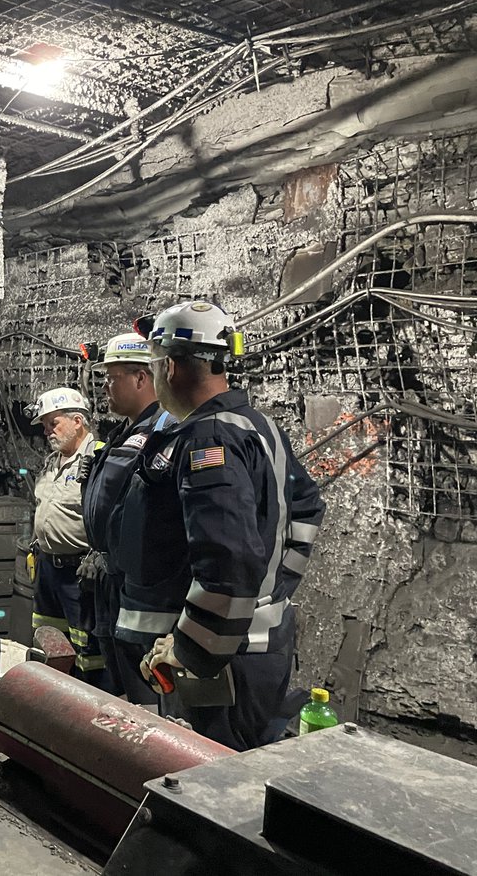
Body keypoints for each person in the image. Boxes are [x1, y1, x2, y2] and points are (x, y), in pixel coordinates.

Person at [109, 300, 325, 751]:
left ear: (169, 367)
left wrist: (191, 652)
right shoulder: (257, 425)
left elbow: (229, 557)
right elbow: (304, 510)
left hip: (218, 663)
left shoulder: (209, 438)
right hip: (247, 645)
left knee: (206, 780)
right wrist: (275, 590)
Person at [82, 333, 174, 703]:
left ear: (140, 378)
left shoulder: (165, 430)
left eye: (112, 377)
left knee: (146, 692)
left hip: (142, 589)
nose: (105, 386)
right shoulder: (126, 431)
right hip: (111, 578)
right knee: (119, 680)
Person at [29, 386, 106, 683]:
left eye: (54, 422)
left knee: (87, 651)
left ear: (78, 420)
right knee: (48, 642)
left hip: (79, 574)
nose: (48, 431)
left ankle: (91, 707)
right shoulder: (53, 461)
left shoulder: (98, 460)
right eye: (45, 425)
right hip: (48, 570)